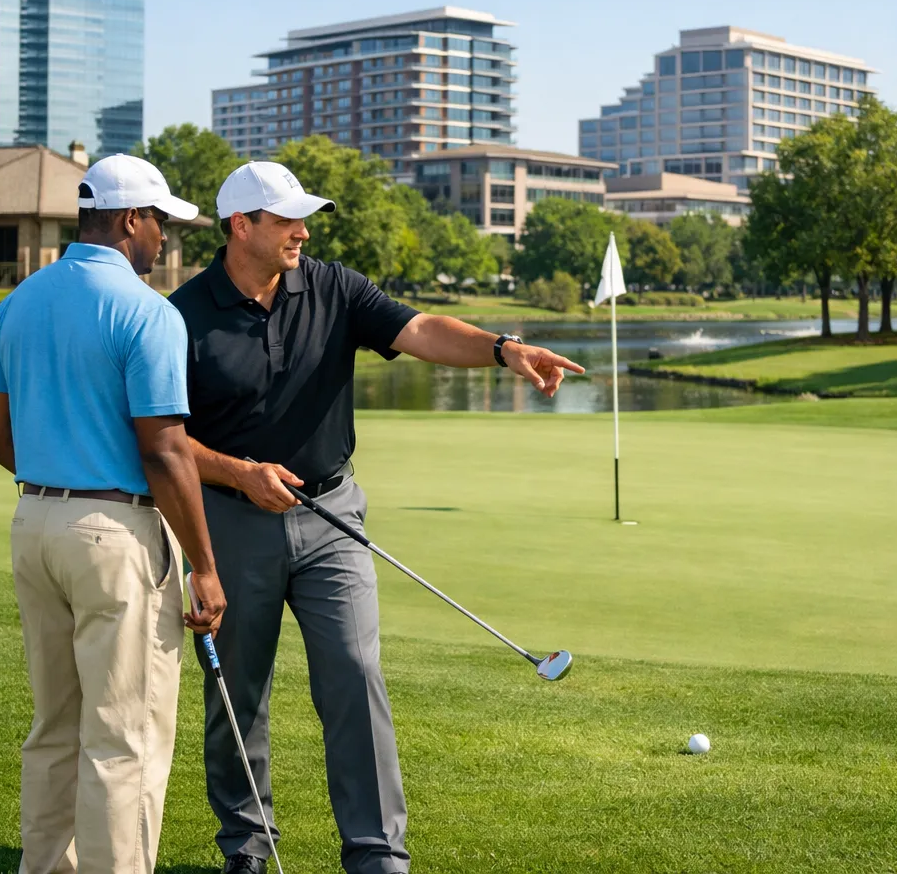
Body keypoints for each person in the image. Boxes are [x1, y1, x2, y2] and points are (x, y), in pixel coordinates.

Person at [169, 160, 585, 874]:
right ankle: (246, 845)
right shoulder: (181, 314)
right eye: (287, 220)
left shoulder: (335, 287)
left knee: (356, 675)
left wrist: (503, 349)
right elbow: (167, 441)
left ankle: (376, 853)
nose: (303, 232)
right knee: (237, 690)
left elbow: (422, 329)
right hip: (230, 520)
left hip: (331, 516)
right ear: (241, 225)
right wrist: (239, 472)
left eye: (305, 219)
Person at [0, 154, 227, 874]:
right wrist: (205, 568)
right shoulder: (148, 311)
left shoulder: (19, 302)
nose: (163, 238)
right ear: (129, 219)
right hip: (116, 536)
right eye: (159, 222)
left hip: (35, 526)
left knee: (55, 728)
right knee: (125, 737)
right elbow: (166, 451)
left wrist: (60, 471)